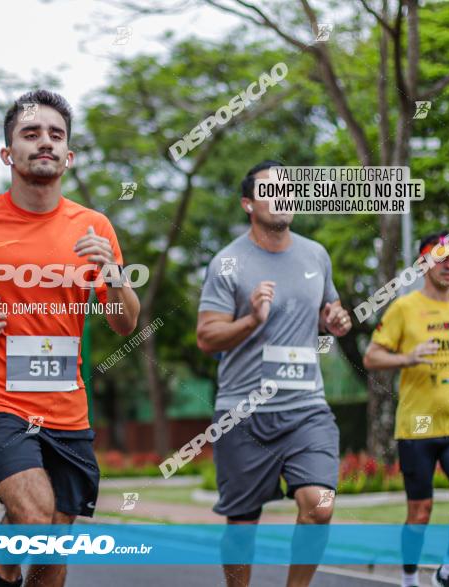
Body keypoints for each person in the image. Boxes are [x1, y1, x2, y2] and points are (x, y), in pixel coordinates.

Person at [0, 89, 139, 587]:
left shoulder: (94, 227)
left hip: (67, 406)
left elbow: (124, 324)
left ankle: (2, 563)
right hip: (1, 402)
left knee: (56, 539)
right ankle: (6, 561)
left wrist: (115, 274)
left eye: (56, 135)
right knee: (37, 520)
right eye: (31, 134)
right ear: (8, 152)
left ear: (69, 155)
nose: (45, 143)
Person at [195, 160, 352, 587]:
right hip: (243, 412)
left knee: (319, 507)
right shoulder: (227, 263)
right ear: (248, 203)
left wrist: (335, 320)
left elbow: (326, 312)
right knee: (242, 526)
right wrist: (251, 320)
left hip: (306, 408)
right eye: (270, 188)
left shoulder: (316, 254)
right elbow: (207, 338)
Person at [363, 231, 449, 587]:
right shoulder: (404, 308)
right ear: (424, 263)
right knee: (419, 513)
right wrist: (408, 357)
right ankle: (409, 579)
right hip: (419, 425)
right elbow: (371, 356)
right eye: (442, 258)